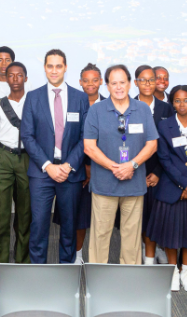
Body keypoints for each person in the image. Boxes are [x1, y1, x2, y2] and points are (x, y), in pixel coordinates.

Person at [83, 64, 158, 265]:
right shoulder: (96, 110)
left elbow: (152, 144)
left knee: (132, 237)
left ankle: (128, 281)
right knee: (100, 235)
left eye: (122, 82)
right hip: (104, 184)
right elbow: (89, 147)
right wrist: (115, 167)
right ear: (106, 85)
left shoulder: (142, 108)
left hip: (134, 184)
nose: (118, 87)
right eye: (113, 83)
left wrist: (131, 165)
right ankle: (97, 280)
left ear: (130, 83)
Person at [22, 49, 89, 264]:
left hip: (70, 173)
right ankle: (38, 274)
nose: (54, 70)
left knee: (69, 227)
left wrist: (69, 165)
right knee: (39, 225)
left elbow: (84, 137)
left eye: (58, 66)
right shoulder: (33, 97)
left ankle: (66, 275)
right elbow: (27, 136)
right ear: (44, 68)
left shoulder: (80, 98)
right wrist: (48, 165)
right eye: (50, 66)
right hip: (42, 173)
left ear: (66, 67)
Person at [148, 85, 187, 293]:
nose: (181, 104)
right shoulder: (164, 127)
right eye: (177, 100)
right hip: (171, 186)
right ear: (172, 103)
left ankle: (186, 271)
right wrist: (183, 182)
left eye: (186, 100)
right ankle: (173, 270)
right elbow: (164, 158)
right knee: (171, 233)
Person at [0, 61, 31, 264]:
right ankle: (0, 264)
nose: (15, 79)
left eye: (19, 75)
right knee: (1, 216)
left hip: (27, 158)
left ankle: (23, 262)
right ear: (6, 78)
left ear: (26, 78)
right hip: (3, 159)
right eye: (11, 75)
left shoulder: (33, 102)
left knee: (25, 214)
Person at [135, 64, 173, 265]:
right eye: (143, 80)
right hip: (134, 173)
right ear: (136, 83)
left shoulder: (166, 108)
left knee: (156, 218)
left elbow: (169, 144)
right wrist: (136, 170)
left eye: (152, 79)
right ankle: (141, 254)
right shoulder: (127, 105)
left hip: (160, 173)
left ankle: (151, 257)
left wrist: (158, 172)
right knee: (136, 219)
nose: (148, 83)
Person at [73, 63, 105, 262]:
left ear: (101, 81)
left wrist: (95, 166)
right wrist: (83, 166)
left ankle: (98, 258)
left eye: (95, 80)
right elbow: (68, 138)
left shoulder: (111, 105)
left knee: (103, 218)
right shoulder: (74, 104)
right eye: (86, 80)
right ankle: (77, 256)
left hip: (104, 169)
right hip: (78, 169)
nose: (90, 84)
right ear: (80, 82)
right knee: (80, 216)